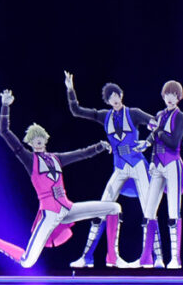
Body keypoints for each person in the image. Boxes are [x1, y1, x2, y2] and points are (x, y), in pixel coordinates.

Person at [0, 89, 121, 269]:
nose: (38, 140)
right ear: (30, 142)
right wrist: (5, 106)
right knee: (27, 262)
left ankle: (112, 258)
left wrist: (99, 147)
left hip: (67, 208)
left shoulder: (56, 158)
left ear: (45, 139)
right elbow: (4, 132)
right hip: (49, 213)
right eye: (34, 139)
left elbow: (80, 154)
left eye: (40, 137)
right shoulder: (30, 159)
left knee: (114, 208)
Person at [63, 72, 158, 268]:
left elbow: (157, 125)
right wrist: (70, 89)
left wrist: (147, 142)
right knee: (103, 206)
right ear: (107, 101)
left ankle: (154, 257)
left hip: (137, 164)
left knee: (149, 209)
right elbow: (76, 111)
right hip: (120, 166)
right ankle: (88, 257)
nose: (114, 99)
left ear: (121, 95)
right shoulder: (104, 116)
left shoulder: (134, 113)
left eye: (116, 95)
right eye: (110, 97)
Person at [135, 80, 183, 269]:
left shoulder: (181, 118)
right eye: (167, 94)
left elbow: (173, 142)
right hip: (157, 164)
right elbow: (155, 138)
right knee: (148, 211)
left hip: (172, 164)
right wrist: (147, 147)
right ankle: (146, 257)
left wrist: (157, 130)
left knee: (173, 211)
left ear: (178, 97)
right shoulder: (159, 115)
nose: (170, 98)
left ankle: (175, 258)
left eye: (173, 94)